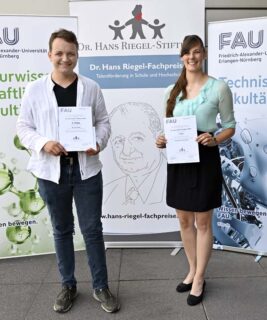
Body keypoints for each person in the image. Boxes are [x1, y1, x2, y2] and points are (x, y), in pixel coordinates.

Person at [16, 29, 120, 314]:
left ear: (77, 55)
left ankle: (101, 286)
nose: (65, 58)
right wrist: (43, 143)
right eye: (59, 53)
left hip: (86, 171)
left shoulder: (91, 87)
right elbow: (23, 127)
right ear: (49, 55)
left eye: (70, 53)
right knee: (62, 230)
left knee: (92, 230)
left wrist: (98, 142)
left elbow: (104, 122)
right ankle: (68, 285)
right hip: (52, 174)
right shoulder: (35, 90)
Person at [156, 35, 236, 306]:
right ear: (181, 57)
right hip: (179, 160)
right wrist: (161, 139)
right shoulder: (171, 91)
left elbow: (229, 126)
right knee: (183, 220)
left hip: (205, 159)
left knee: (202, 222)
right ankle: (191, 269)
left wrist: (215, 138)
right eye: (187, 53)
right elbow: (168, 128)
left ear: (204, 55)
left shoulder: (218, 88)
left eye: (197, 52)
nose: (192, 57)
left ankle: (200, 277)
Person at [104, 102, 166, 206]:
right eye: (118, 141)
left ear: (158, 136)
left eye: (137, 138)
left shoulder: (181, 185)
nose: (126, 151)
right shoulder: (107, 195)